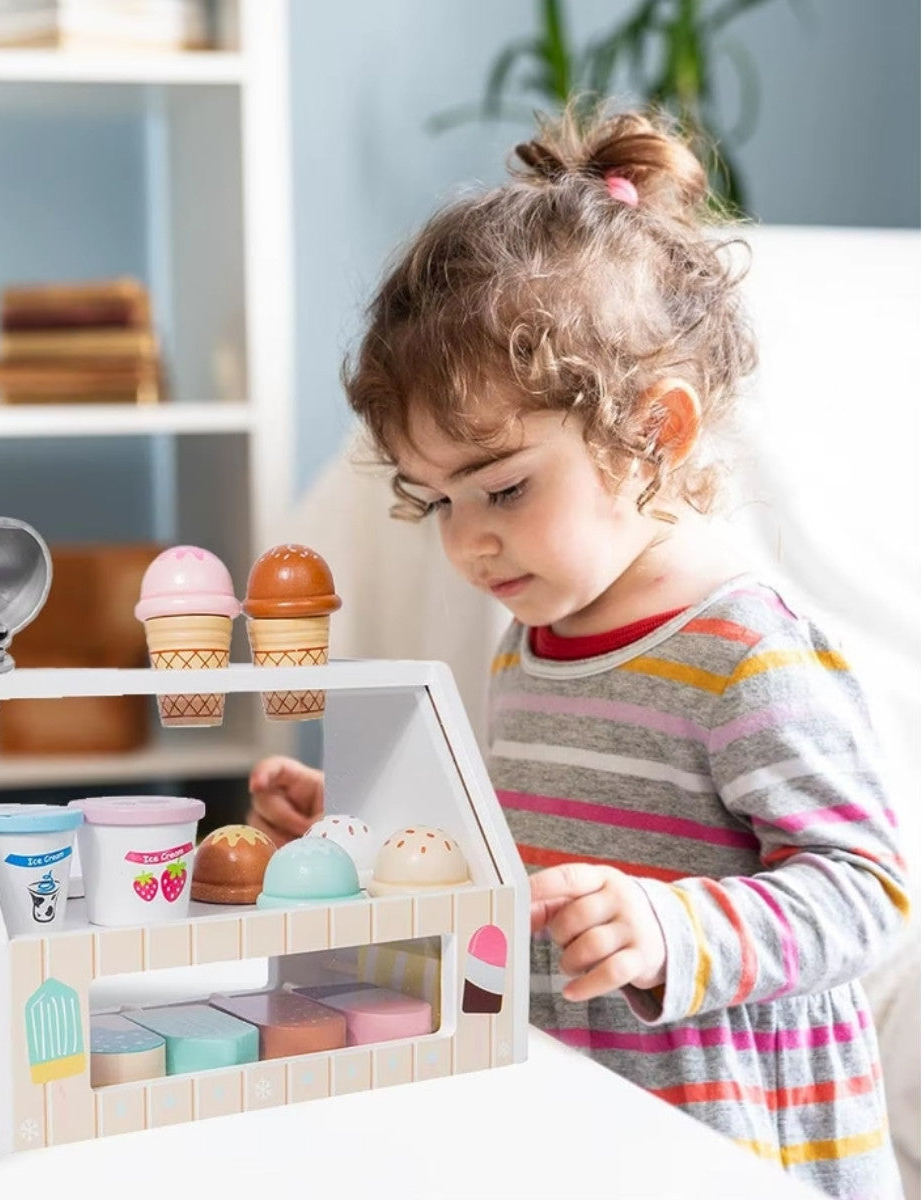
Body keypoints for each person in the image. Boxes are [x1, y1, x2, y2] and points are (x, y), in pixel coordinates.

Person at [246, 107, 911, 1200]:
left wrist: (674, 927)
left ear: (656, 431)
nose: (466, 542)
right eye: (439, 501)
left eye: (503, 487)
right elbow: (530, 850)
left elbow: (868, 893)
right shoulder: (533, 641)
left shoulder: (744, 653)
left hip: (734, 1151)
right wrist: (365, 835)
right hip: (580, 1127)